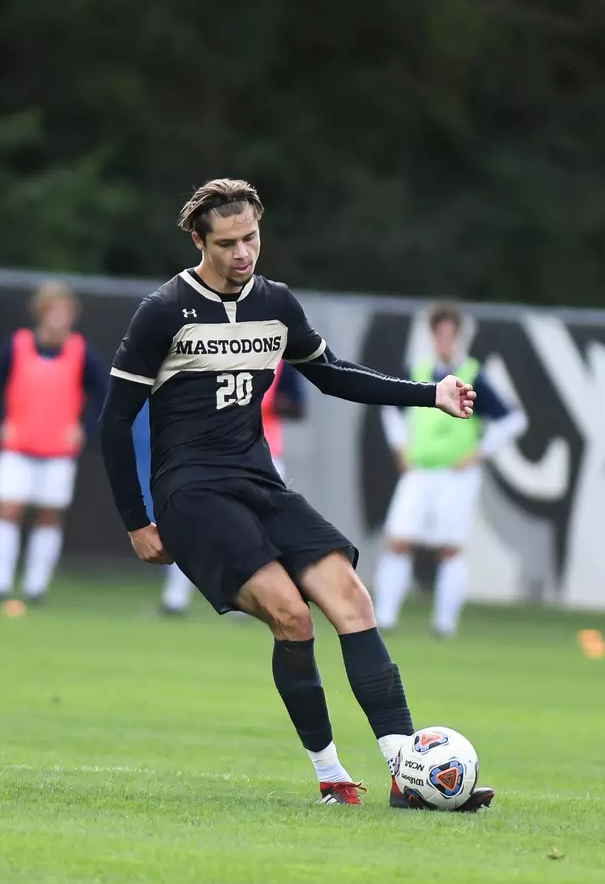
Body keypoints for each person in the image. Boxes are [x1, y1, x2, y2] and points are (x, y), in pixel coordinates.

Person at [98, 177, 495, 811]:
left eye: (251, 237)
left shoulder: (276, 303)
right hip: (192, 492)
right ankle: (331, 775)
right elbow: (115, 422)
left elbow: (334, 375)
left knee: (352, 597)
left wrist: (432, 393)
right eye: (227, 243)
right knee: (293, 615)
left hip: (259, 481)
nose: (242, 253)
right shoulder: (164, 311)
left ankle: (407, 778)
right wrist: (137, 521)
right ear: (200, 240)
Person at [373, 303, 528, 638]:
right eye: (438, 332)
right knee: (399, 541)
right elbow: (392, 410)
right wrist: (401, 447)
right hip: (419, 472)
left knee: (450, 548)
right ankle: (384, 617)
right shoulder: (418, 370)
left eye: (449, 333)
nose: (443, 339)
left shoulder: (472, 375)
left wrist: (480, 453)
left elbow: (513, 420)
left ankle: (444, 624)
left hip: (456, 476)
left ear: (459, 337)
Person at [0, 280, 108, 604]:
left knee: (50, 515)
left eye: (66, 311)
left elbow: (104, 394)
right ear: (41, 312)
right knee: (8, 509)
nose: (60, 318)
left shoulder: (81, 351)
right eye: (54, 310)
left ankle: (36, 587)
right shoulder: (18, 345)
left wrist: (84, 429)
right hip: (18, 446)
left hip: (58, 450)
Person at [156, 363, 305, 615]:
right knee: (192, 524)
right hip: (215, 452)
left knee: (252, 533)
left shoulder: (281, 362)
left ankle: (247, 603)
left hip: (263, 456)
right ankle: (175, 598)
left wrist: (271, 403)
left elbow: (298, 407)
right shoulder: (217, 352)